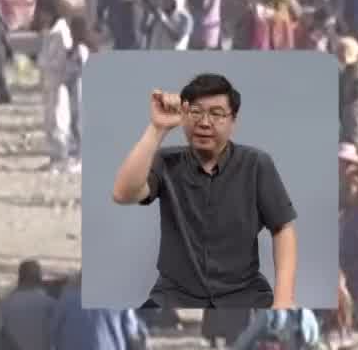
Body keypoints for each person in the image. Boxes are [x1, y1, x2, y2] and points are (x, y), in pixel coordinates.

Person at [110, 72, 298, 309]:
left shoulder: (256, 164)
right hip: (174, 294)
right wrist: (157, 128)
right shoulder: (166, 162)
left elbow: (283, 228)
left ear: (233, 121)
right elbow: (123, 193)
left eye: (217, 114)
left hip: (244, 292)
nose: (205, 122)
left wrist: (283, 298)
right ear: (185, 115)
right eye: (196, 112)